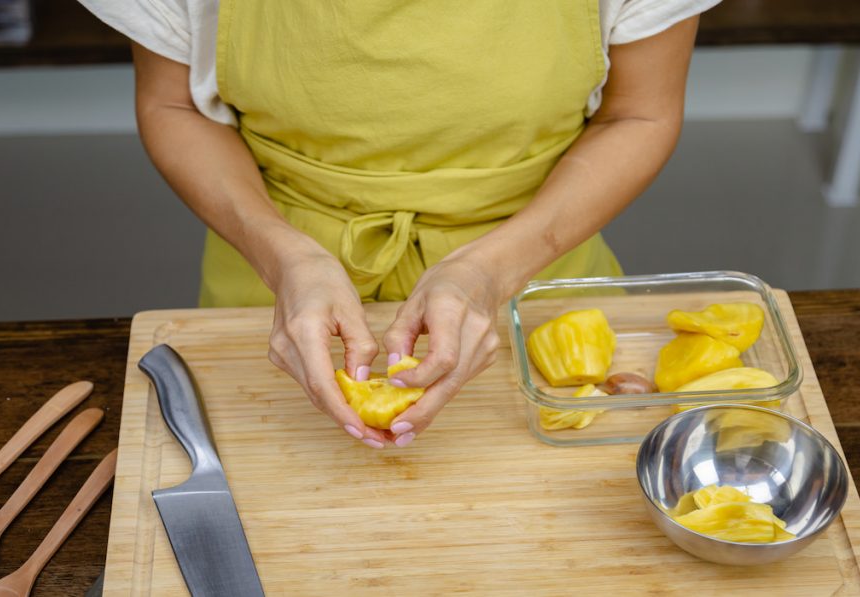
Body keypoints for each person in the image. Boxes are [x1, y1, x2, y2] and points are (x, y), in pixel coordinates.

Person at [82, 0, 719, 448]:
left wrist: (487, 271)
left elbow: (637, 114)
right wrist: (285, 258)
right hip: (274, 273)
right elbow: (172, 104)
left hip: (538, 273)